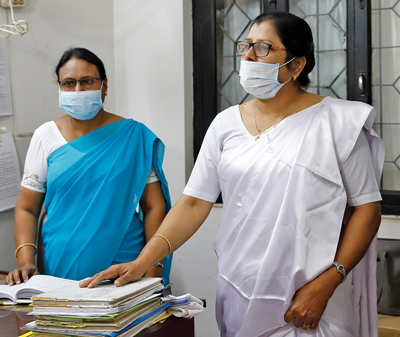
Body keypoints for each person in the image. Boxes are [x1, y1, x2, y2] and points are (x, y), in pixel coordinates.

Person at [80, 12, 384, 337]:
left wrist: (328, 282)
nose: (249, 57)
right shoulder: (225, 124)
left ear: (296, 66)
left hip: (311, 300)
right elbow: (194, 203)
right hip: (239, 290)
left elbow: (367, 210)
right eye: (245, 46)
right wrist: (144, 260)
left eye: (264, 48)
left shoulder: (337, 123)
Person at [6, 47, 172, 285]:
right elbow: (27, 209)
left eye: (87, 81)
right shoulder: (46, 137)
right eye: (68, 83)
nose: (78, 90)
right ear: (60, 88)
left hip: (125, 264)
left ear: (104, 86)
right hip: (61, 263)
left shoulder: (133, 137)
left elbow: (154, 206)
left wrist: (154, 266)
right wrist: (25, 261)